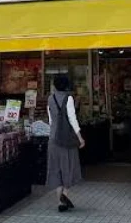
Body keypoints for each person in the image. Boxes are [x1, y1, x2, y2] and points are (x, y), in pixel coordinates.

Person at [46, 74, 84, 212]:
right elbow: (72, 119)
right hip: (66, 140)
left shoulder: (50, 98)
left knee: (56, 169)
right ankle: (65, 195)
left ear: (55, 85)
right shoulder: (68, 98)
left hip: (53, 139)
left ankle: (59, 202)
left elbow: (51, 121)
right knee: (69, 167)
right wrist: (80, 137)